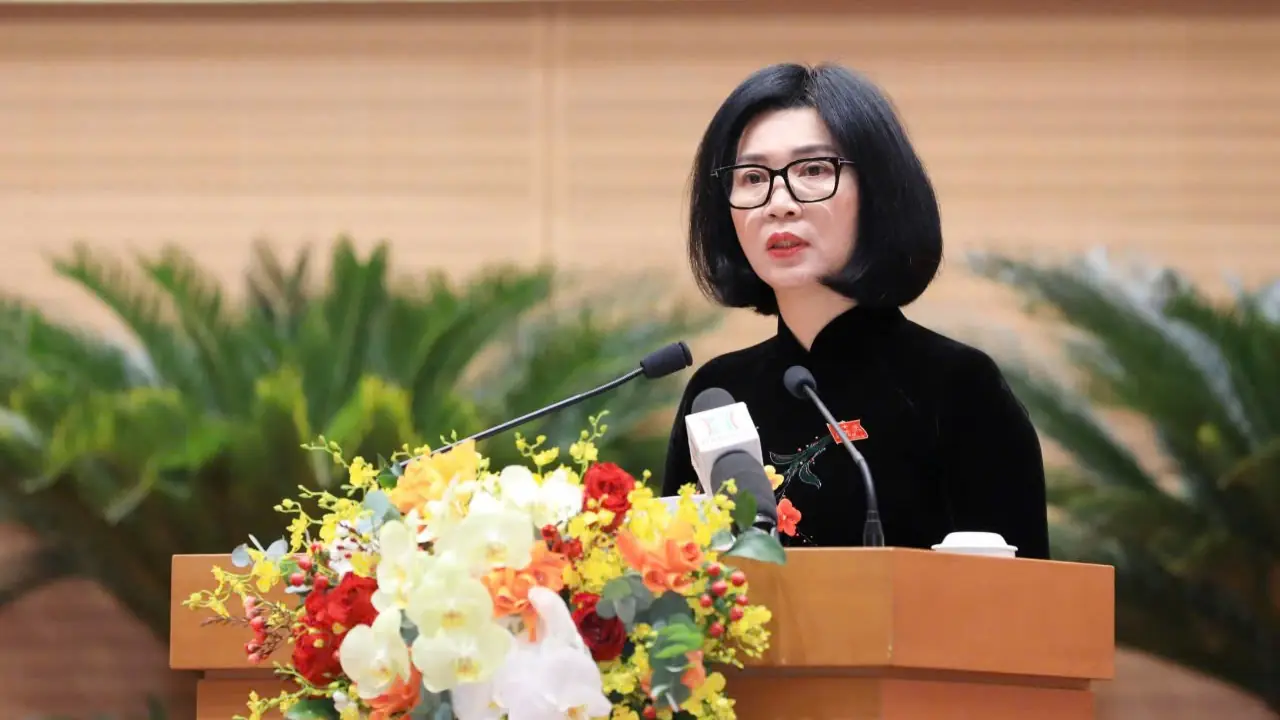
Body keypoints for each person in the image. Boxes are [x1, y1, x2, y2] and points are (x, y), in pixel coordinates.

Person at [660, 62, 1051, 559]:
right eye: (753, 177)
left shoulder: (957, 386)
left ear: (877, 193)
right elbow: (677, 581)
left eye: (813, 170)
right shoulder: (719, 393)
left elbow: (1025, 593)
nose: (779, 203)